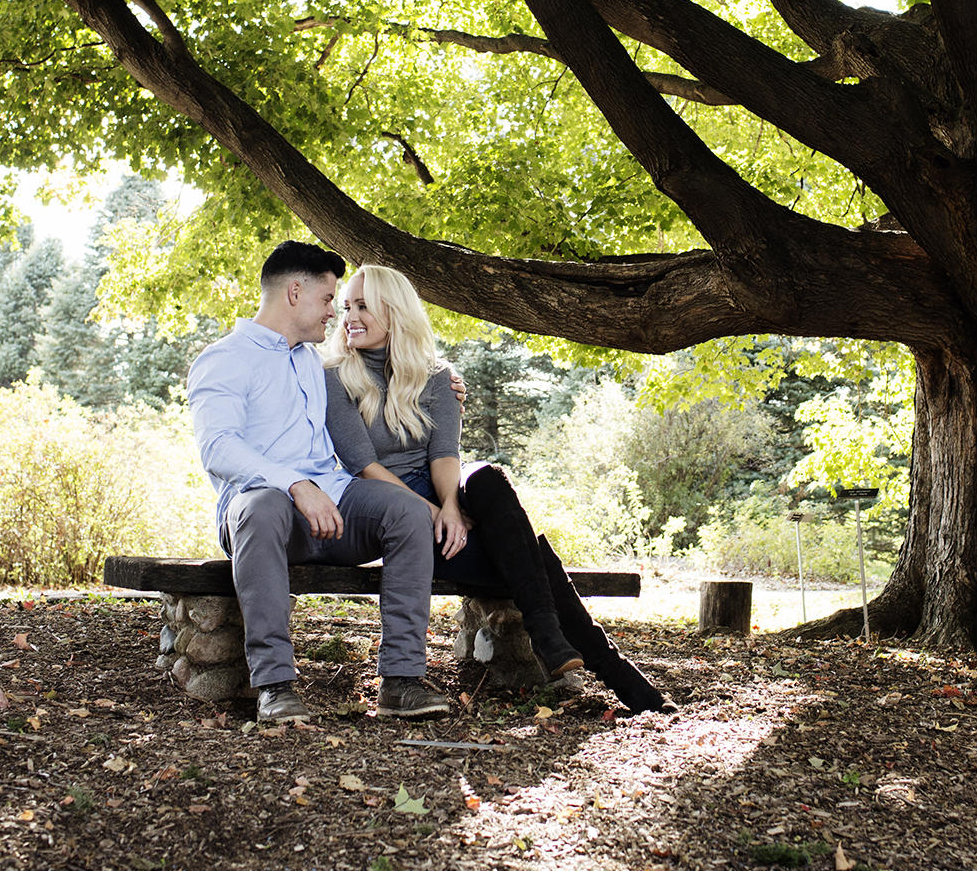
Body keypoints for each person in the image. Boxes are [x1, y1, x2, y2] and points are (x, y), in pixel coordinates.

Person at [322, 263, 671, 714]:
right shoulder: (334, 377)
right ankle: (603, 664)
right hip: (390, 508)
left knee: (487, 477)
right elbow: (363, 465)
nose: (349, 315)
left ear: (396, 312)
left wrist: (449, 503)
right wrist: (431, 513)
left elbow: (445, 454)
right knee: (530, 557)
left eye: (363, 305)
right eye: (347, 305)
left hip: (443, 494)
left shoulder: (436, 376)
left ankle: (555, 635)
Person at [186, 241, 452, 725]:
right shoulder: (224, 359)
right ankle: (274, 686)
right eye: (329, 298)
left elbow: (387, 373)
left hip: (334, 506)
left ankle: (401, 681)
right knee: (262, 506)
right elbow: (218, 448)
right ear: (294, 292)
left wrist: (446, 383)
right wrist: (294, 484)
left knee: (407, 510)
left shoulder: (313, 360)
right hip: (263, 517)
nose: (336, 311)